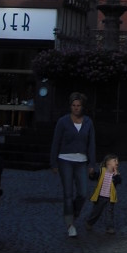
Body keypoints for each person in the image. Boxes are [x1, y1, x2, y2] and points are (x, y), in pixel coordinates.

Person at [50, 92, 97, 238]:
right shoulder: (63, 122)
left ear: (82, 107)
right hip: (65, 160)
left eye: (78, 106)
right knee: (68, 193)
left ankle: (73, 213)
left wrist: (91, 163)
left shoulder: (88, 122)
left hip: (81, 160)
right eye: (74, 106)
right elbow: (56, 142)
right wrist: (53, 162)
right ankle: (70, 224)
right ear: (70, 107)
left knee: (82, 193)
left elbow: (91, 144)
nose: (76, 108)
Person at [86, 154, 121, 234]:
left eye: (117, 161)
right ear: (108, 163)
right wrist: (91, 174)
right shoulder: (102, 172)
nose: (117, 162)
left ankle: (110, 228)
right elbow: (94, 177)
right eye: (115, 161)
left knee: (109, 213)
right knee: (96, 212)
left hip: (110, 198)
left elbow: (119, 181)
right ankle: (89, 222)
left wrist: (116, 175)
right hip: (100, 197)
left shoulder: (116, 174)